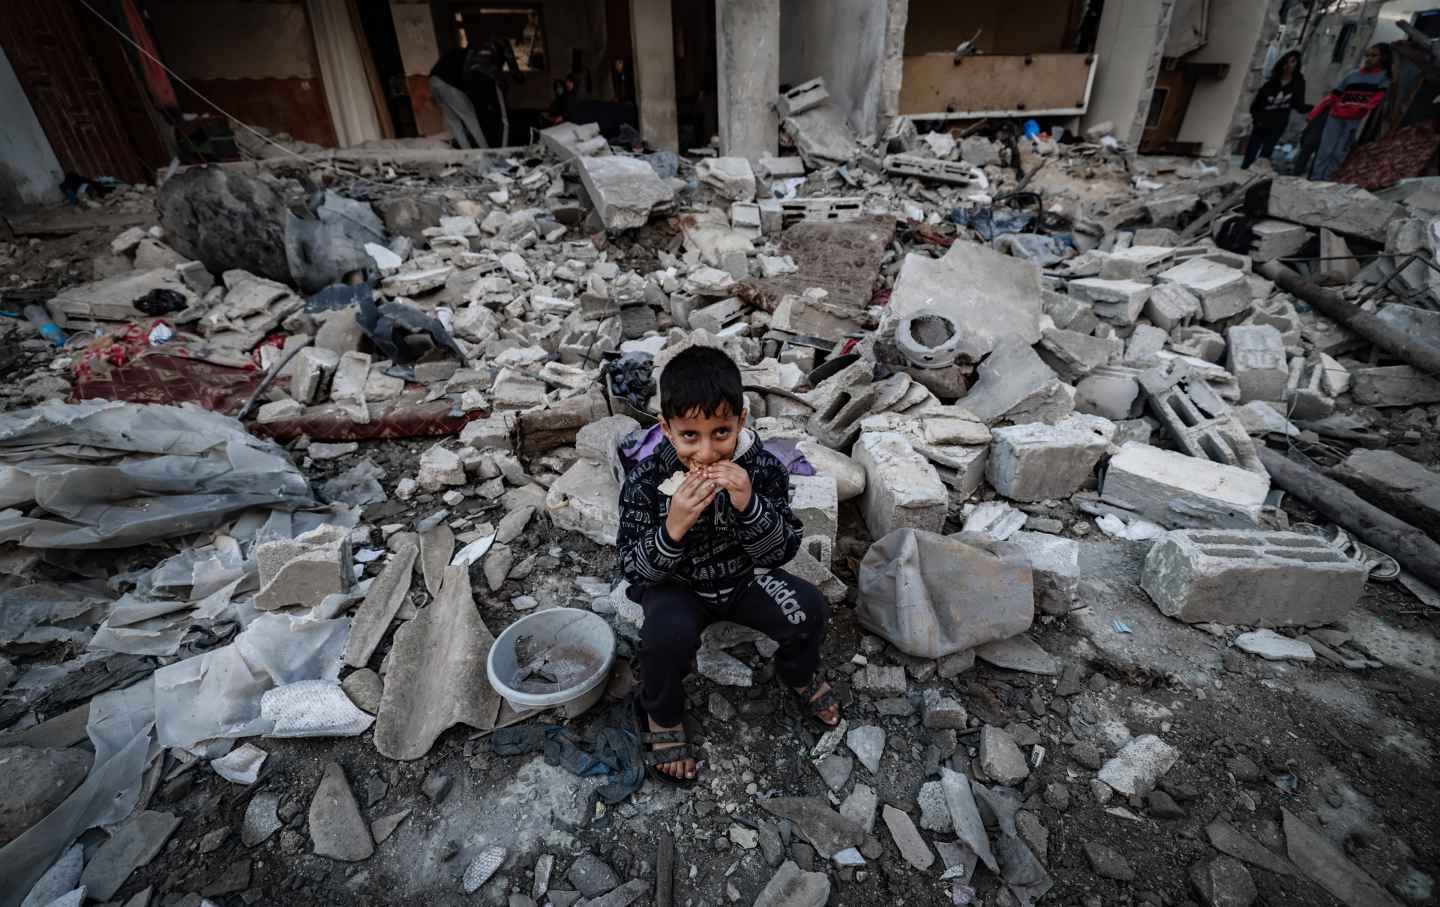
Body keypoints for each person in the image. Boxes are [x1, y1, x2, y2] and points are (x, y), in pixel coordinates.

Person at [616, 346, 838, 784]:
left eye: (721, 432)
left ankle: (797, 673)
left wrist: (749, 504)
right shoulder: (645, 481)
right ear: (666, 430)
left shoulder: (763, 470)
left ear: (741, 420)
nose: (706, 453)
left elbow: (780, 553)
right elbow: (633, 569)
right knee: (663, 638)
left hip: (742, 578)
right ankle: (662, 716)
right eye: (689, 436)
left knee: (809, 608)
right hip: (676, 585)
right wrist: (672, 528)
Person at [1308, 43, 1392, 181]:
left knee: (1339, 153)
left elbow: (1378, 98)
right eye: (1367, 55)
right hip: (1335, 117)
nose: (1369, 59)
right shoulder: (1352, 75)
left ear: (1384, 58)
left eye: (1374, 55)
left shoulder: (1384, 78)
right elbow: (1333, 96)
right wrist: (1314, 112)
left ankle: (1327, 181)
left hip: (1354, 120)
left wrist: (1361, 108)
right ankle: (1316, 180)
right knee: (1325, 150)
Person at [1243, 50, 1307, 169]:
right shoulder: (1270, 84)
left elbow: (1299, 104)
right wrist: (1257, 119)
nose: (1288, 65)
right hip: (1262, 122)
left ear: (1297, 64)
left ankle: (1256, 176)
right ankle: (1244, 171)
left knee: (1266, 153)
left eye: (1293, 62)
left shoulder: (1298, 84)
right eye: (1286, 62)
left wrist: (1315, 109)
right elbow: (1256, 105)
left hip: (1278, 124)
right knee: (1251, 152)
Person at [429, 47, 487, 149]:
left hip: (433, 82)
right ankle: (488, 152)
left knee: (454, 123)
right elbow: (469, 78)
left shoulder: (454, 53)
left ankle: (468, 155)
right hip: (447, 83)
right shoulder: (471, 56)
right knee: (471, 119)